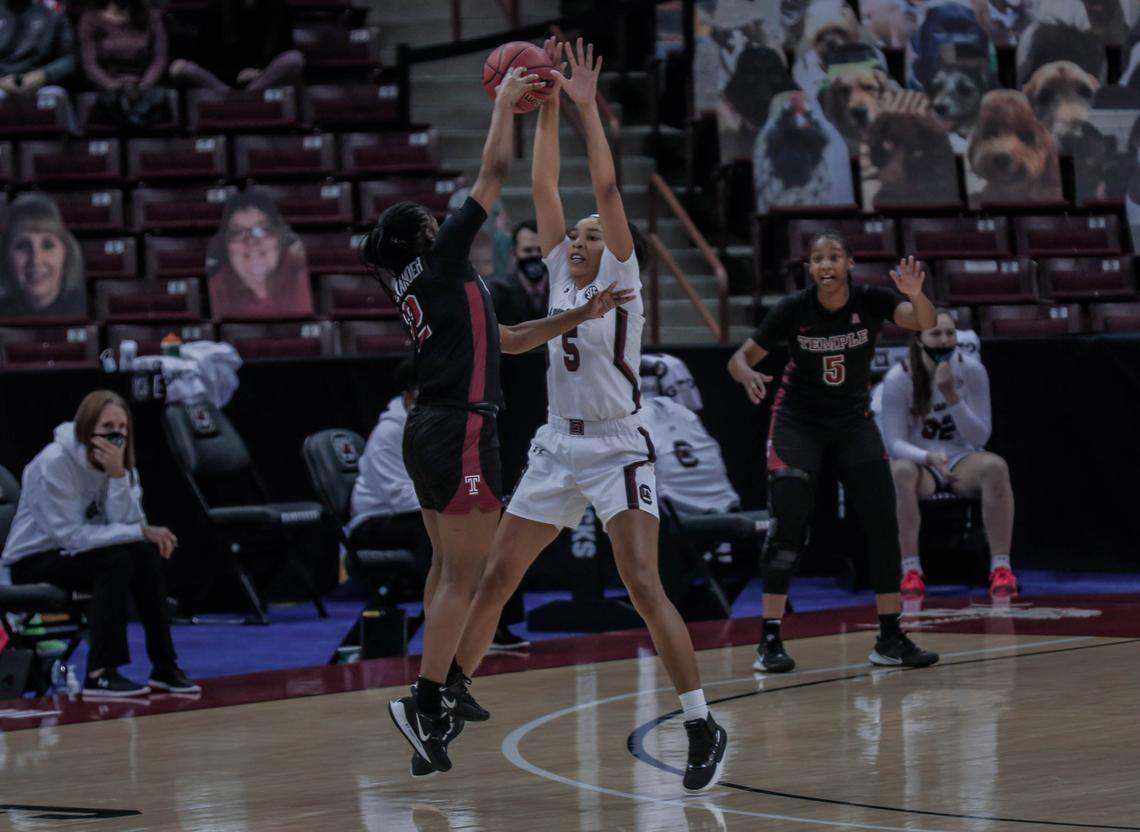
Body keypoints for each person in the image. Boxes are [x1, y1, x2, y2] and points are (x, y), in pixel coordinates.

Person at [451, 38, 728, 793]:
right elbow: (547, 186)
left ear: (615, 252)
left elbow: (604, 185)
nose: (577, 237)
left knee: (642, 581)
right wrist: (539, 111)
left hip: (617, 447)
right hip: (555, 448)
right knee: (497, 576)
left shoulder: (623, 281)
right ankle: (447, 697)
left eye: (590, 236)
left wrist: (583, 107)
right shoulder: (560, 286)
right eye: (571, 234)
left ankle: (701, 721)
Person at [362, 65, 634, 776]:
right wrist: (508, 105)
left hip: (431, 429)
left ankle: (441, 687)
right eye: (431, 219)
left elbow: (508, 340)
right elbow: (494, 174)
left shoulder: (434, 286)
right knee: (469, 574)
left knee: (448, 569)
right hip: (460, 429)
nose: (442, 218)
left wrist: (578, 314)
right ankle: (427, 699)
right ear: (422, 235)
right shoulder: (443, 261)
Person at [727, 232, 940, 674]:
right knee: (788, 528)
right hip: (797, 424)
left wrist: (917, 295)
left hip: (852, 423)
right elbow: (738, 358)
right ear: (809, 268)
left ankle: (890, 636)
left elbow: (922, 322)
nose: (826, 265)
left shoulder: (870, 300)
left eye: (834, 257)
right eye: (818, 258)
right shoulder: (793, 309)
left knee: (884, 524)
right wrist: (747, 374)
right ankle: (769, 639)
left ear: (849, 264)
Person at [0, 390, 198, 697]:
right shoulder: (53, 463)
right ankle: (100, 672)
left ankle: (165, 667)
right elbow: (71, 536)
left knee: (143, 555)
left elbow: (129, 525)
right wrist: (138, 532)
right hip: (34, 561)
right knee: (117, 560)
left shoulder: (121, 465)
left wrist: (118, 477)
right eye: (107, 428)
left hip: (85, 555)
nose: (116, 435)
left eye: (122, 428)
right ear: (86, 428)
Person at [350, 360, 529, 650]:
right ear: (409, 396)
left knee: (492, 529)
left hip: (422, 509)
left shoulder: (439, 424)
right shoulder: (389, 432)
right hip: (377, 521)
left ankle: (493, 625)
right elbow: (397, 495)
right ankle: (448, 614)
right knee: (445, 537)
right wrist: (450, 503)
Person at [879, 311, 1017, 599]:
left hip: (960, 460)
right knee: (898, 471)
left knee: (996, 467)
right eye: (936, 334)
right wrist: (929, 459)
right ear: (919, 340)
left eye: (950, 334)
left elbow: (980, 436)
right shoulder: (898, 378)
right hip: (921, 463)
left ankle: (1001, 567)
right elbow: (894, 444)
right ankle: (910, 570)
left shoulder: (973, 371)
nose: (944, 340)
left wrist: (951, 395)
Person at [205, 189, 314, 320]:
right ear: (226, 245)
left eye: (262, 229)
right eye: (237, 233)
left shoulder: (305, 276)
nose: (251, 242)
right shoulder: (214, 290)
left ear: (279, 237)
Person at [169, 0, 303, 93]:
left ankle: (245, 97)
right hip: (223, 80)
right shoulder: (219, 7)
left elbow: (283, 47)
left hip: (262, 78)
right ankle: (235, 97)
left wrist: (258, 72)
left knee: (294, 59)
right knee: (182, 69)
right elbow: (206, 52)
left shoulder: (278, 7)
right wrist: (235, 74)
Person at [0, 193, 87, 321]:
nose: (36, 260)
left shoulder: (86, 309)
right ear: (6, 257)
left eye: (47, 245)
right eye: (23, 246)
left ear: (66, 253)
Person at [78, 0, 168, 91]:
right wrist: (112, 86)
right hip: (105, 90)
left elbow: (159, 59)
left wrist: (145, 85)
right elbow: (90, 64)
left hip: (146, 87)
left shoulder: (151, 17)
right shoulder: (91, 19)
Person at [0, 0, 76, 99]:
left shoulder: (52, 13)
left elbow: (70, 59)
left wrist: (43, 75)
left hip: (40, 82)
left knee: (54, 96)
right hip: (2, 81)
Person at [487, 220, 549, 326]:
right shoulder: (495, 292)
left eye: (540, 250)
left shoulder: (561, 290)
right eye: (527, 250)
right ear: (514, 254)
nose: (535, 255)